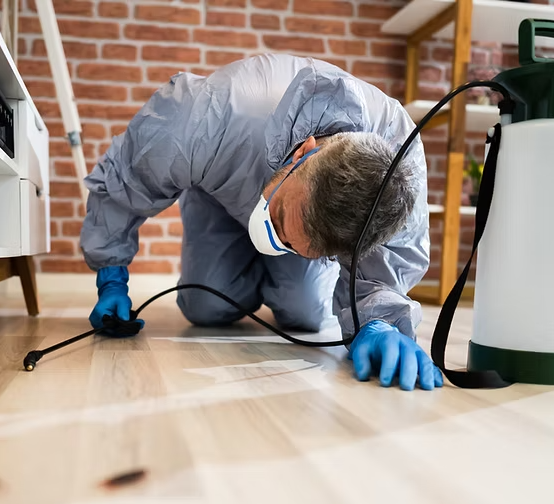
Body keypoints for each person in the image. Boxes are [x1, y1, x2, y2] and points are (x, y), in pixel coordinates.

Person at [79, 54, 442, 391]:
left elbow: (384, 268)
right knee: (205, 308)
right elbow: (128, 179)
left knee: (307, 315)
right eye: (282, 217)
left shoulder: (399, 178)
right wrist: (111, 275)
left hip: (301, 218)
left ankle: (297, 250)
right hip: (220, 194)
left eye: (297, 245)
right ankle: (268, 254)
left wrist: (379, 322)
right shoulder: (210, 117)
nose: (275, 239)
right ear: (304, 152)